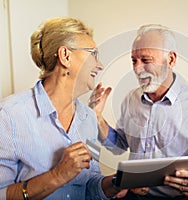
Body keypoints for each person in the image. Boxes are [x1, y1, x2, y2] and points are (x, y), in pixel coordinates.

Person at [90, 24, 188, 199]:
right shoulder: (131, 100)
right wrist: (97, 118)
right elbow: (119, 145)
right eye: (134, 60)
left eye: (146, 60)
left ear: (170, 60)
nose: (137, 69)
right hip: (133, 195)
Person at [0, 17, 125, 200]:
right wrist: (57, 175)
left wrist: (114, 184)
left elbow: (89, 184)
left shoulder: (89, 118)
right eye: (93, 54)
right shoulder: (9, 115)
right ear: (65, 56)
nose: (100, 65)